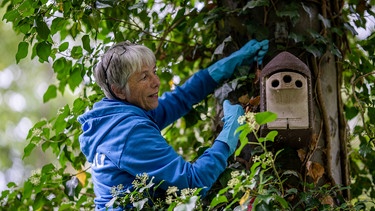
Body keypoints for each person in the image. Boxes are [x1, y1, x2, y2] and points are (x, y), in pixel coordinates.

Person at [78, 39, 268, 210]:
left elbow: (179, 99)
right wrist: (229, 134)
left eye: (154, 72)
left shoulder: (117, 115)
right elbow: (193, 184)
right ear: (119, 90)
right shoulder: (129, 132)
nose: (157, 82)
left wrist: (227, 64)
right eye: (144, 77)